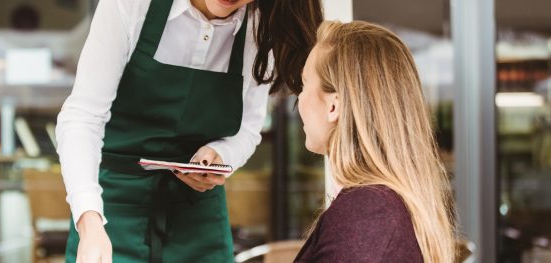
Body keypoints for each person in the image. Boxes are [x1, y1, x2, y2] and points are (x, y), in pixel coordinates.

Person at [54, 0, 322, 261]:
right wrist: (89, 221)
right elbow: (83, 117)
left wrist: (220, 155)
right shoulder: (133, 4)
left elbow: (248, 131)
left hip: (198, 219)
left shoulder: (259, 28)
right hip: (109, 210)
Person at [292, 20, 457, 263]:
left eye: (305, 84)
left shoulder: (367, 212)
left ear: (334, 105)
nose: (300, 100)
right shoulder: (378, 207)